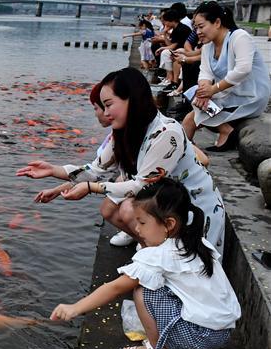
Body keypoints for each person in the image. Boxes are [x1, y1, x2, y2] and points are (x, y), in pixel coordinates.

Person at [51, 178, 240, 349]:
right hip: (220, 335)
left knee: (142, 290)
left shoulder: (159, 255)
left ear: (169, 224)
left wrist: (75, 308)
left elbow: (115, 287)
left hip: (195, 339)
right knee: (154, 282)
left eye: (142, 222)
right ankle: (170, 343)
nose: (137, 229)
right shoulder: (197, 242)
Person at [16, 69, 223, 251]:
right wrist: (53, 169)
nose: (105, 113)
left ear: (131, 99)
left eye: (108, 104)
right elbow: (96, 170)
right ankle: (152, 248)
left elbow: (141, 186)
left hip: (194, 210)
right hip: (165, 203)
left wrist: (90, 188)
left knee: (126, 208)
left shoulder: (166, 133)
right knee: (117, 207)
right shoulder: (124, 132)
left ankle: (157, 251)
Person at [182, 0, 271, 151]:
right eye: (195, 28)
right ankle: (188, 149)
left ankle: (187, 150)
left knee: (191, 118)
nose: (197, 32)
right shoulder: (208, 46)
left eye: (201, 26)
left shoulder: (239, 37)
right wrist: (204, 92)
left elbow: (243, 69)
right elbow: (205, 72)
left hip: (251, 96)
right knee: (193, 105)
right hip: (228, 93)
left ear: (217, 22)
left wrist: (213, 89)